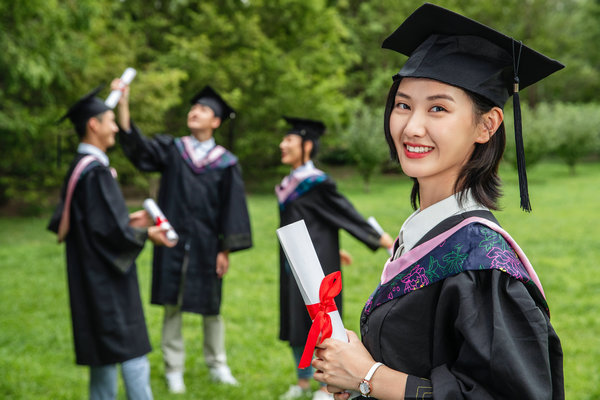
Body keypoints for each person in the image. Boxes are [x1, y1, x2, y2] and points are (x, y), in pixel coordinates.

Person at [311, 4, 565, 400]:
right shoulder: (423, 232)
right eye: (403, 104)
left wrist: (369, 376)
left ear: (487, 125)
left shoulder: (481, 266)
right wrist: (355, 366)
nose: (412, 127)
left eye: (438, 108)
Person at [112, 80, 252, 393]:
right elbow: (137, 146)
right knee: (172, 304)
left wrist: (225, 249)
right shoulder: (174, 151)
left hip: (207, 244)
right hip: (173, 241)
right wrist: (123, 103)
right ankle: (174, 369)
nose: (194, 112)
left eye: (203, 110)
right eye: (193, 108)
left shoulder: (225, 162)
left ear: (215, 121)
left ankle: (218, 364)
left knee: (211, 308)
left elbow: (233, 209)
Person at [48, 86, 175, 400]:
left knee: (102, 354)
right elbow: (109, 234)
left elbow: (93, 225)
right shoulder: (96, 173)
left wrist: (126, 221)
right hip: (108, 280)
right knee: (130, 346)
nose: (116, 127)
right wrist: (147, 234)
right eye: (109, 120)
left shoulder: (80, 168)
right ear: (94, 125)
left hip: (89, 276)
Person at [276, 117, 394, 400]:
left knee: (321, 322)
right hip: (293, 262)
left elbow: (343, 213)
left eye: (289, 140)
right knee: (295, 319)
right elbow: (314, 219)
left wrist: (379, 239)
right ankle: (303, 381)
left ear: (306, 146)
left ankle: (326, 385)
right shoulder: (287, 183)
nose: (282, 144)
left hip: (318, 263)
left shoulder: (316, 183)